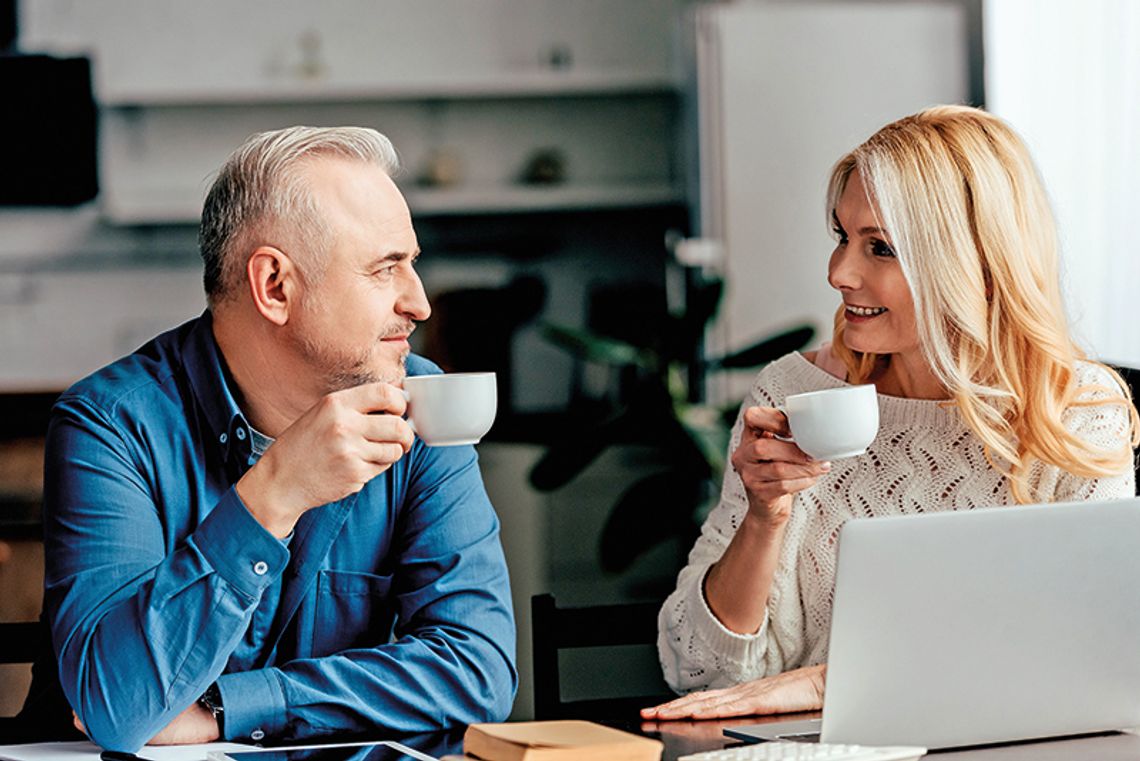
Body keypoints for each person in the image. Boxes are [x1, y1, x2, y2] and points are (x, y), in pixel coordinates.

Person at [19, 127, 517, 750]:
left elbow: (477, 669)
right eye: (386, 269)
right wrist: (273, 497)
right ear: (275, 286)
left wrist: (231, 706)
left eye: (410, 266)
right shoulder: (110, 425)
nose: (419, 302)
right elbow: (119, 707)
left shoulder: (423, 402)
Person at [642, 105, 1139, 721]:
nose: (838, 273)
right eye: (841, 237)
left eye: (879, 247)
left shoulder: (1078, 413)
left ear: (974, 264)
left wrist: (833, 683)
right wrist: (765, 518)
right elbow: (698, 671)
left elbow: (1094, 661)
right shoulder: (792, 394)